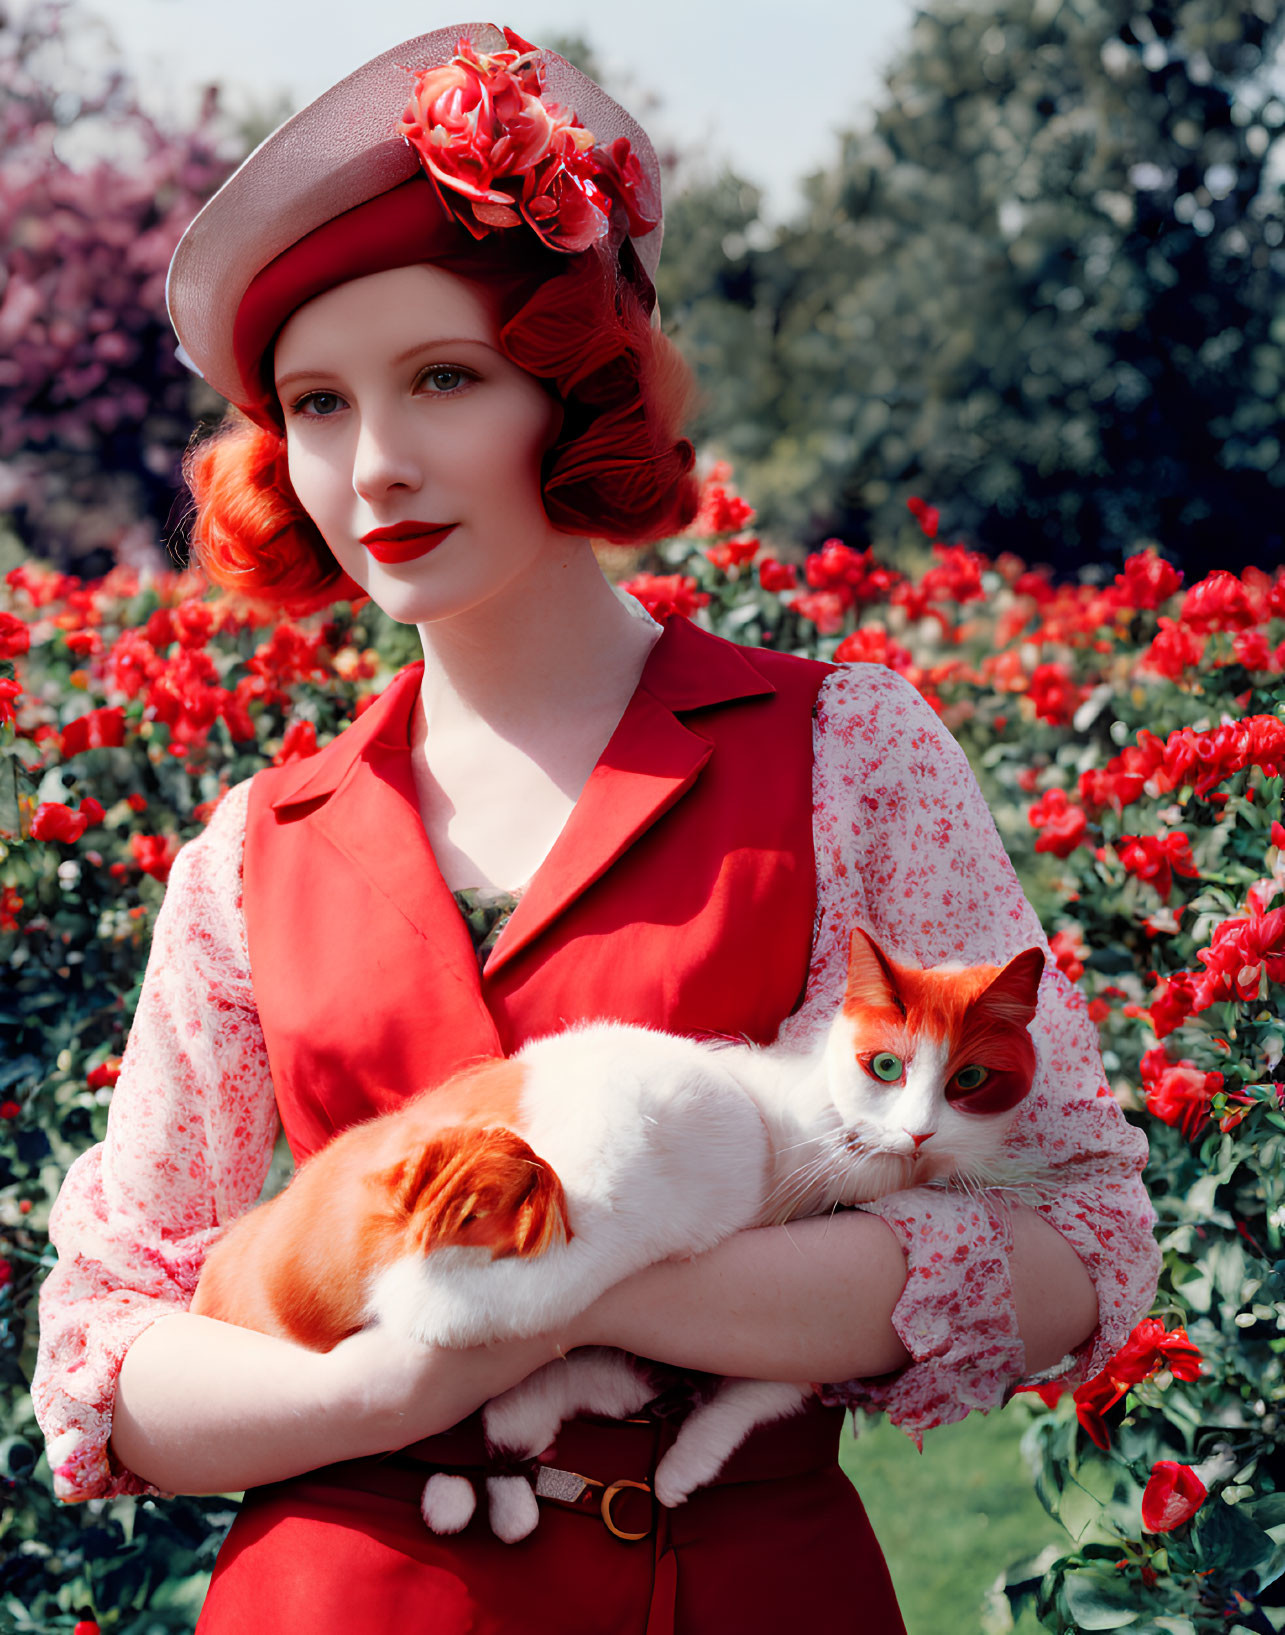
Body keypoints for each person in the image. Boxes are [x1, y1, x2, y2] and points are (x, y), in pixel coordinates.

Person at [32, 24, 1159, 1633]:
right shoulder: (250, 852)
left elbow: (1071, 1237)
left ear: (567, 393)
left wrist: (584, 1280)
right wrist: (386, 1392)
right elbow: (111, 1337)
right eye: (318, 405)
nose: (378, 465)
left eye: (442, 378)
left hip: (738, 1591)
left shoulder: (841, 749)